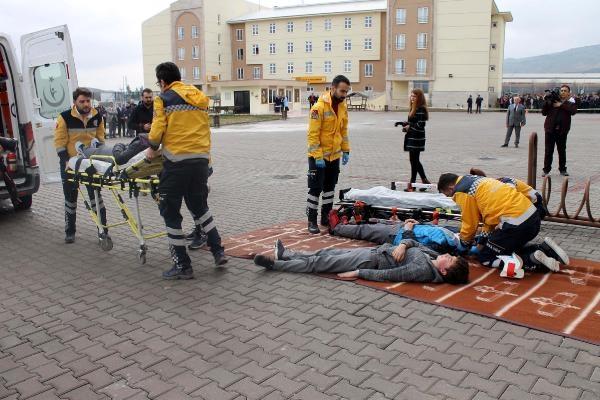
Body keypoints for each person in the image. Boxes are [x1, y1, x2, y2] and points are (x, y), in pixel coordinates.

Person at [146, 62, 227, 279]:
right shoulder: (197, 96)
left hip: (176, 161)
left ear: (162, 81)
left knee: (170, 212)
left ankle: (183, 265)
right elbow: (205, 130)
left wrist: (152, 148)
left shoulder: (163, 99)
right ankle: (218, 251)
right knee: (200, 206)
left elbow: (156, 131)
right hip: (200, 159)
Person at [437, 173, 569, 273]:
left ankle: (531, 260)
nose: (452, 199)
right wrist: (483, 240)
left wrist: (464, 244)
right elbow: (489, 217)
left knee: (486, 257)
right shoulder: (478, 180)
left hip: (516, 225)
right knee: (506, 247)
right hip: (532, 220)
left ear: (450, 187)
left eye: (448, 195)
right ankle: (546, 249)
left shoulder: (462, 191)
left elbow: (470, 223)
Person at [253, 238, 469, 284]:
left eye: (449, 260)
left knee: (318, 264)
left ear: (444, 272)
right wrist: (404, 245)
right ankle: (287, 254)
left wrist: (358, 273)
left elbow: (387, 275)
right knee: (326, 253)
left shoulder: (421, 269)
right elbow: (412, 241)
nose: (447, 255)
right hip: (373, 252)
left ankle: (275, 264)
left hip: (370, 261)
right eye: (451, 255)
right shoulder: (432, 256)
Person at [54, 87, 110, 244]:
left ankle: (103, 232)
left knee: (96, 199)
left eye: (88, 101)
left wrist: (101, 157)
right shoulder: (64, 117)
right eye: (82, 101)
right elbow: (59, 143)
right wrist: (65, 160)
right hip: (70, 163)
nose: (86, 104)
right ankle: (70, 231)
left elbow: (100, 139)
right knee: (71, 199)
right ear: (75, 102)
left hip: (90, 163)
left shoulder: (97, 116)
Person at [306, 75, 351, 234]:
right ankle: (311, 220)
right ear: (332, 88)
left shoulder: (343, 107)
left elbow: (343, 131)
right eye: (342, 91)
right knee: (315, 189)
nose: (344, 95)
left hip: (334, 156)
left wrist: (346, 149)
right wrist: (317, 155)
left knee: (330, 188)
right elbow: (313, 134)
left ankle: (325, 217)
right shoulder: (318, 108)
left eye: (346, 91)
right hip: (318, 157)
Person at [395, 88, 430, 192]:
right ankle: (420, 182)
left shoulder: (421, 109)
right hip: (412, 137)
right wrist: (402, 123)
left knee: (414, 161)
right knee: (414, 161)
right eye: (411, 96)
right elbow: (412, 122)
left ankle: (416, 183)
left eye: (414, 96)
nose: (412, 98)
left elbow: (420, 125)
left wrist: (409, 126)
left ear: (419, 98)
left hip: (417, 138)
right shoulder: (414, 108)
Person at [542, 85, 577, 177]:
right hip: (550, 130)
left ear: (569, 93)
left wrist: (561, 105)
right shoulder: (552, 100)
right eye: (561, 90)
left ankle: (562, 169)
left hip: (562, 131)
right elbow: (544, 112)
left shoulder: (570, 102)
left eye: (565, 91)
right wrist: (547, 101)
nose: (563, 92)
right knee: (548, 151)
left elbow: (573, 111)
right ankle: (546, 170)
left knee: (561, 151)